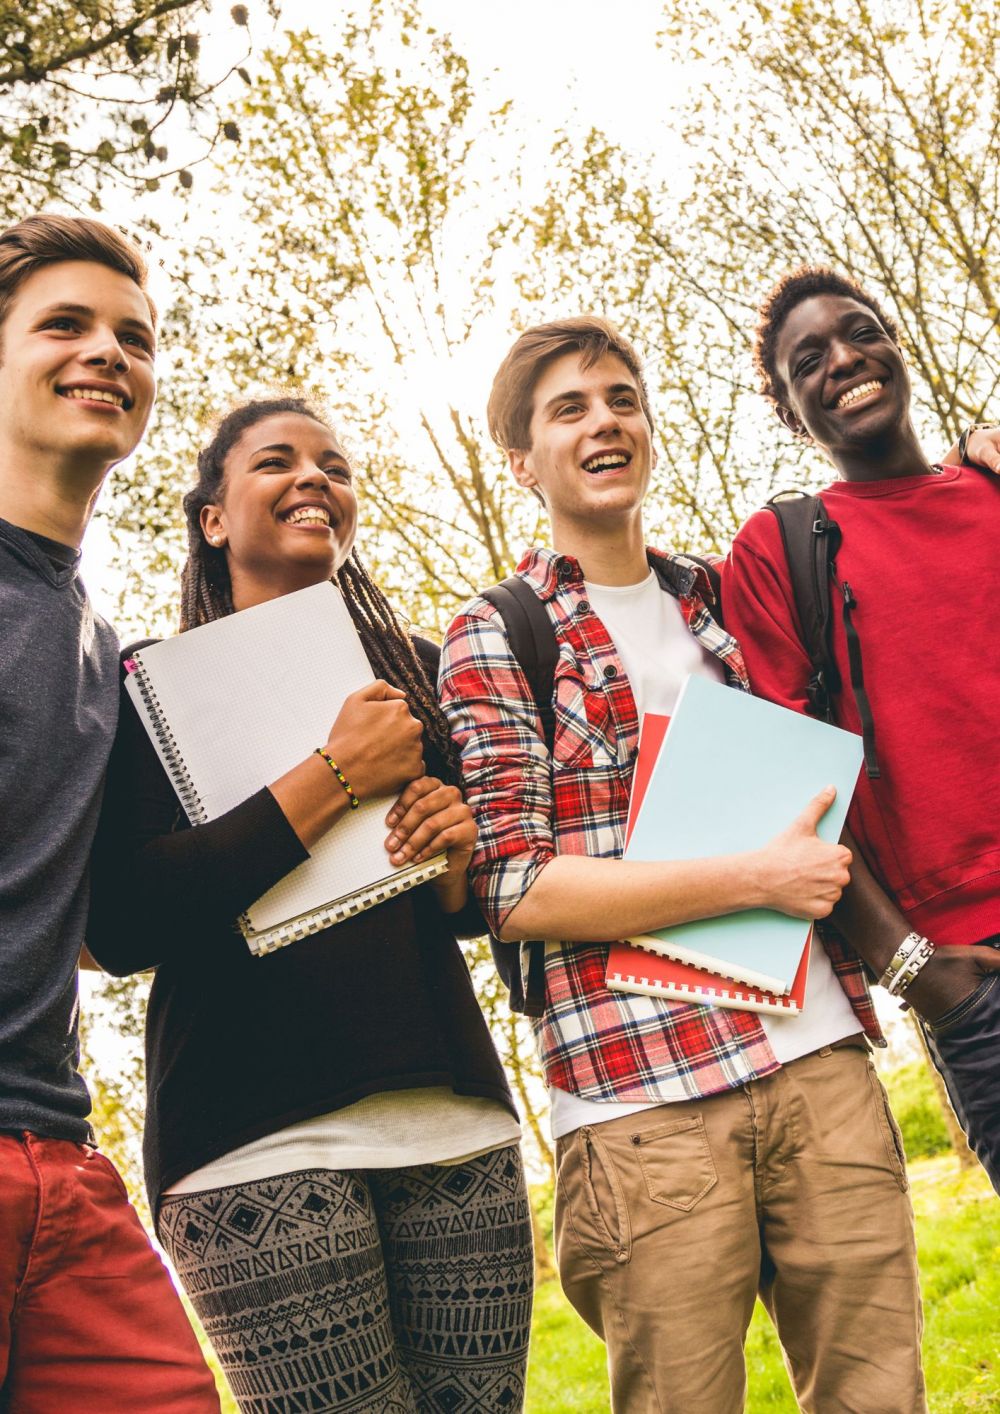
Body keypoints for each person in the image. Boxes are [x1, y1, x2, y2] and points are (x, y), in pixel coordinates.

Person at [438, 316, 926, 1413]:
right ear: (522, 462)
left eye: (620, 398)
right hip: (641, 1108)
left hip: (818, 1068)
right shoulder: (497, 632)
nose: (604, 420)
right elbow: (515, 887)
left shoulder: (731, 600)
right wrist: (751, 880)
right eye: (567, 408)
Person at [85, 396, 534, 1414]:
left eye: (334, 463)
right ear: (211, 517)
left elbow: (458, 909)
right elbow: (120, 921)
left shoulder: (415, 668)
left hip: (448, 1115)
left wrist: (453, 842)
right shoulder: (144, 689)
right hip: (252, 1138)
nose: (313, 478)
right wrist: (333, 773)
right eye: (277, 461)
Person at [0, 214, 221, 1410]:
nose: (108, 353)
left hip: (60, 1155)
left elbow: (97, 926)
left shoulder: (106, 647)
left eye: (134, 337)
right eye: (66, 325)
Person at [722, 266, 1000, 1193]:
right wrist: (913, 967)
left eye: (861, 331)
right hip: (978, 971)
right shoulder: (781, 550)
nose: (845, 359)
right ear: (793, 410)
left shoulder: (993, 489)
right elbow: (795, 784)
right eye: (810, 360)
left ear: (895, 347)